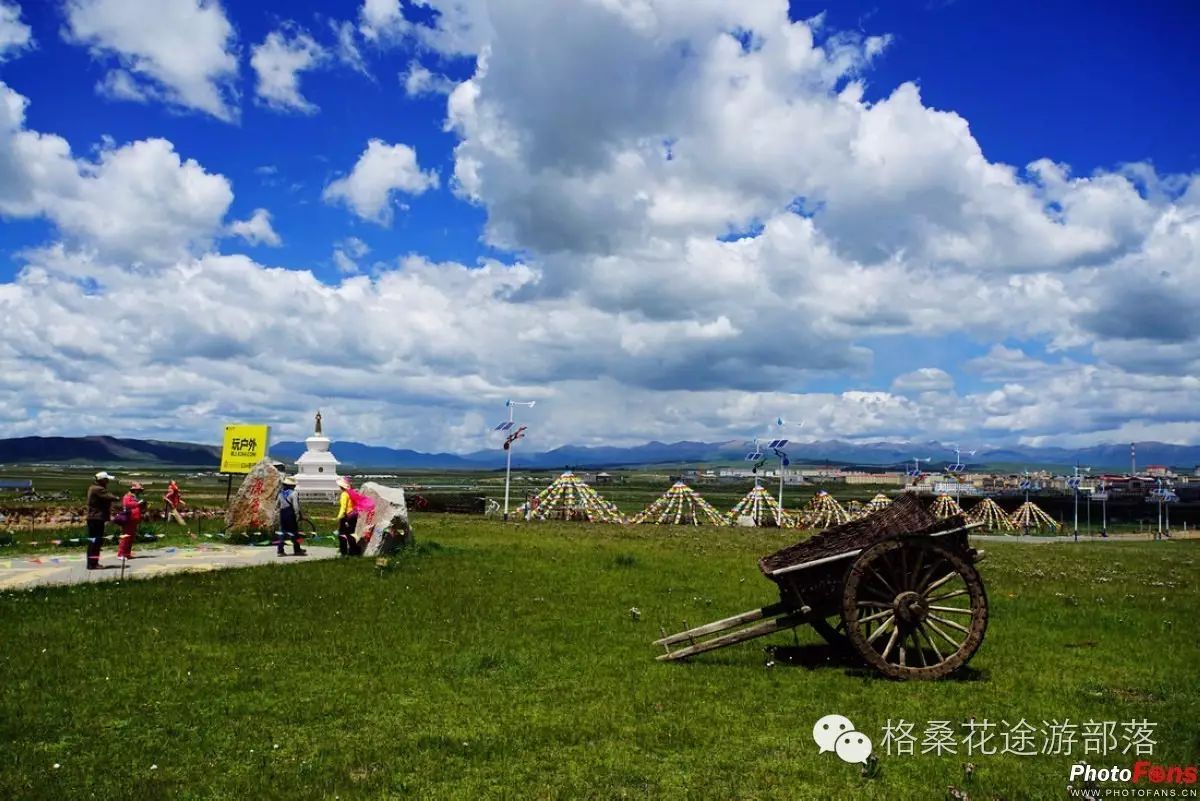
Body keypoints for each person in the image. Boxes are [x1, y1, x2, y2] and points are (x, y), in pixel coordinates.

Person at [85, 471, 119, 569]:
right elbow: (111, 497)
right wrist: (116, 497)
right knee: (95, 542)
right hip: (96, 518)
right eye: (106, 480)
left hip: (94, 517)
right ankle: (93, 563)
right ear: (102, 480)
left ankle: (92, 563)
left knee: (94, 541)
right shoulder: (98, 489)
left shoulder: (93, 487)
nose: (108, 481)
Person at [336, 477, 373, 556]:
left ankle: (344, 552)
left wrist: (339, 517)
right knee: (351, 534)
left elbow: (343, 508)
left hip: (346, 516)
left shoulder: (344, 494)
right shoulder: (351, 493)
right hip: (354, 515)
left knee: (342, 535)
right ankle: (355, 550)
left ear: (341, 486)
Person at [276, 477, 307, 557]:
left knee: (282, 532)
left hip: (283, 513)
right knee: (295, 533)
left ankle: (280, 550)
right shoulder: (294, 493)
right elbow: (296, 507)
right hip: (290, 514)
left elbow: (277, 505)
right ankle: (297, 550)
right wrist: (297, 516)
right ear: (291, 486)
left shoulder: (280, 493)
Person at [116, 483, 146, 560]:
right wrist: (137, 503)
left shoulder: (136, 497)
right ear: (134, 489)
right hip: (129, 518)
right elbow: (126, 504)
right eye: (139, 490)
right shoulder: (127, 496)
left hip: (135, 519)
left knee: (131, 537)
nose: (140, 491)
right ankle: (121, 554)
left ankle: (127, 553)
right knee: (126, 536)